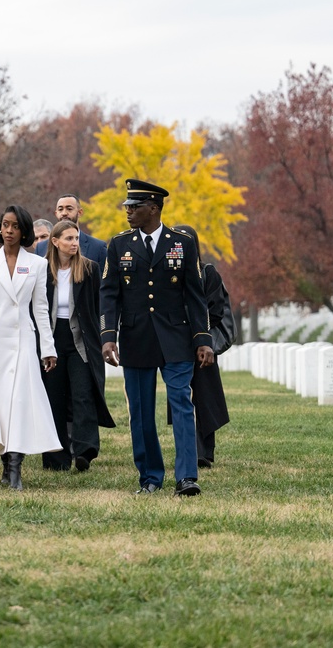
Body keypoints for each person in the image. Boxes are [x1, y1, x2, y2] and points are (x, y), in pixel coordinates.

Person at [99, 179, 214, 496]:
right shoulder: (119, 244)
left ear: (153, 208)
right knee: (140, 411)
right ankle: (150, 476)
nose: (128, 212)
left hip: (176, 337)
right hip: (136, 339)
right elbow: (109, 295)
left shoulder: (182, 243)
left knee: (181, 405)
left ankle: (186, 477)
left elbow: (195, 296)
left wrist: (203, 338)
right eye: (127, 207)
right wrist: (108, 336)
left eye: (134, 207)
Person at [0, 205, 61, 490]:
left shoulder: (38, 265)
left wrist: (48, 349)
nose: (8, 231)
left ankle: (15, 468)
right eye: (5, 225)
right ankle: (6, 466)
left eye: (15, 226)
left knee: (18, 404)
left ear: (24, 231)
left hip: (23, 342)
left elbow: (41, 310)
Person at [42, 220, 116, 472]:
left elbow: (100, 306)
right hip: (52, 338)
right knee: (54, 398)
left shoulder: (90, 269)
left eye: (76, 238)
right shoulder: (43, 271)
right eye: (69, 239)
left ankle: (85, 451)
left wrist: (105, 336)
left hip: (81, 339)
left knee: (83, 394)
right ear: (55, 242)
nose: (74, 243)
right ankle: (55, 457)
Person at [171, 225, 230, 468]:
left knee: (204, 397)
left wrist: (196, 333)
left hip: (201, 342)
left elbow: (215, 310)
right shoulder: (168, 273)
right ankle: (188, 449)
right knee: (182, 398)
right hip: (175, 343)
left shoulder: (208, 272)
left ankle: (204, 452)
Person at [35, 194, 107, 266]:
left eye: (69, 209)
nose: (64, 213)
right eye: (60, 209)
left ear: (80, 212)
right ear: (56, 214)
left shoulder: (98, 247)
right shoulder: (41, 247)